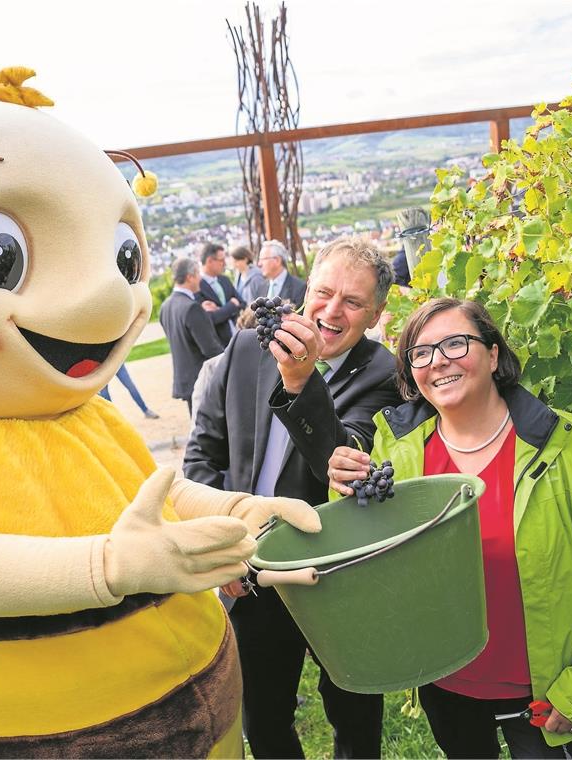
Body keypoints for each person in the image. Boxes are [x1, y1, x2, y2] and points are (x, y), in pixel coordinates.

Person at [327, 297, 572, 760]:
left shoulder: (570, 447)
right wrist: (345, 493)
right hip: (446, 682)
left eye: (456, 343)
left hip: (545, 691)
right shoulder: (399, 452)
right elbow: (371, 559)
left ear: (494, 355)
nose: (439, 362)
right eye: (421, 352)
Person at [185, 236, 402, 759]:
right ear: (306, 291)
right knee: (263, 718)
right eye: (323, 293)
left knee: (354, 714)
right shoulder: (245, 347)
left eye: (352, 303)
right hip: (252, 566)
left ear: (375, 315)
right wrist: (223, 545)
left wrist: (300, 379)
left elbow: (344, 462)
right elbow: (202, 457)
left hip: (336, 577)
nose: (331, 311)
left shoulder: (384, 375)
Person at [159, 257, 225, 415]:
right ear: (190, 277)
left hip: (186, 379)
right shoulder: (192, 308)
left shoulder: (166, 306)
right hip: (202, 380)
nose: (200, 278)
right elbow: (211, 349)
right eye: (198, 274)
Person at [195, 242, 244, 344]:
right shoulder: (197, 286)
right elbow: (210, 319)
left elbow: (243, 304)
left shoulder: (224, 280)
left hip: (238, 338)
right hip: (219, 345)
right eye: (221, 260)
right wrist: (231, 306)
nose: (225, 264)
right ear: (209, 261)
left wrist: (219, 311)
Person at [251, 239, 306, 305]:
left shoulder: (299, 288)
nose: (259, 264)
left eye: (263, 259)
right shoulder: (260, 287)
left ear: (277, 260)